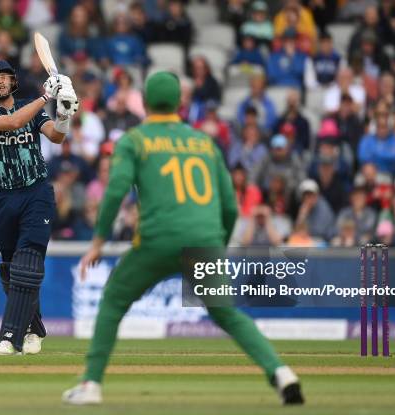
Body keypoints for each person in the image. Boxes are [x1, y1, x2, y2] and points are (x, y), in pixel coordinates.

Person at [62, 71, 304, 406]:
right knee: (226, 313)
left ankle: (90, 384)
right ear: (181, 104)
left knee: (114, 300)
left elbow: (116, 189)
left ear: (145, 103)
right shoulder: (205, 143)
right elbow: (231, 205)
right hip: (204, 242)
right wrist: (216, 239)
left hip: (157, 241)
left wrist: (99, 241)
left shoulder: (134, 140)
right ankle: (280, 371)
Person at [0, 59, 79, 356]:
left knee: (28, 261)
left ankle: (10, 338)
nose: (1, 82)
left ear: (13, 80)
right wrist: (46, 97)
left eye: (5, 77)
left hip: (37, 193)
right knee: (10, 269)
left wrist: (64, 112)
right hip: (5, 198)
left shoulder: (32, 110)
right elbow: (14, 122)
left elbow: (57, 137)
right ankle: (35, 329)